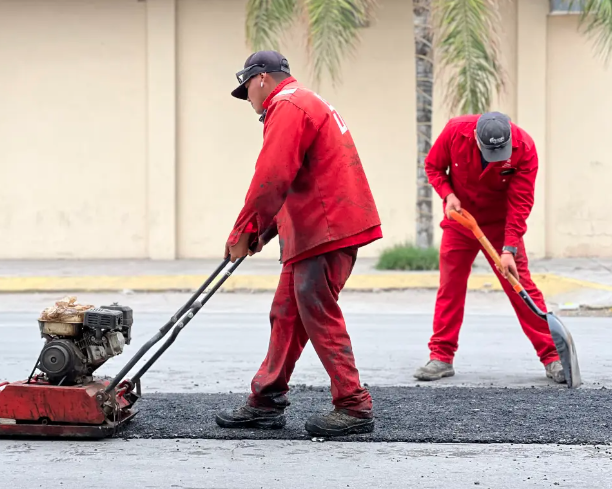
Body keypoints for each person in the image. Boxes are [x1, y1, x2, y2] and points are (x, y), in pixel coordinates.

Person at [215, 50, 383, 437]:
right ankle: (265, 401)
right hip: (320, 227)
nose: (250, 102)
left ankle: (354, 406)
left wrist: (243, 230)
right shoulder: (305, 102)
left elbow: (272, 176)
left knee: (317, 312)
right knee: (287, 314)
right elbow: (298, 177)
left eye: (248, 91)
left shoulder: (286, 105)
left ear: (260, 79)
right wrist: (262, 231)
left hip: (325, 230)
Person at [416, 112, 566, 384]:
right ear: (475, 137)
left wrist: (509, 248)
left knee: (519, 285)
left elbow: (521, 202)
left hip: (500, 225)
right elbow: (433, 167)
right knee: (450, 286)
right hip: (461, 218)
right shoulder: (454, 132)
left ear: (510, 136)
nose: (497, 154)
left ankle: (553, 356)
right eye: (490, 150)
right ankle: (441, 357)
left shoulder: (525, 148)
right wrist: (448, 195)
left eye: (502, 150)